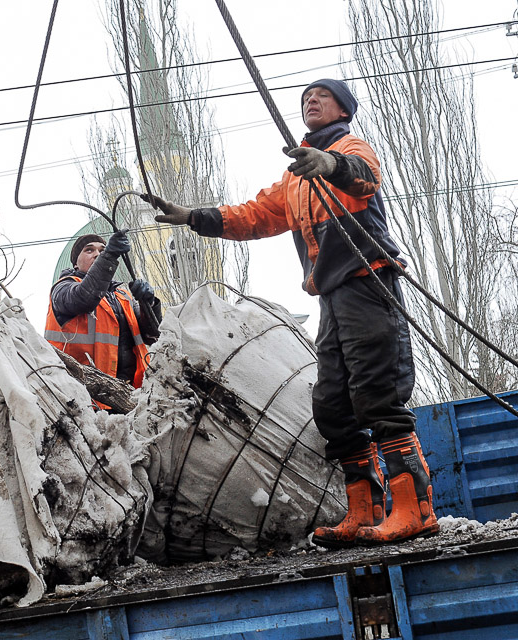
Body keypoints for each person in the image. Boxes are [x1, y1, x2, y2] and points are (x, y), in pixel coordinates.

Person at [142, 79, 438, 547]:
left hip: (367, 284)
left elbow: (364, 176)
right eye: (305, 99)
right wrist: (194, 217)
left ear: (343, 109)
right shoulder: (296, 179)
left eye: (321, 96)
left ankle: (415, 509)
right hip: (332, 297)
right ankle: (365, 510)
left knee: (378, 395)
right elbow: (254, 215)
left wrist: (330, 164)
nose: (310, 101)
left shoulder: (350, 148)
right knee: (332, 406)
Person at [44, 230, 162, 395]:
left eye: (102, 250)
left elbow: (152, 335)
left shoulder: (122, 296)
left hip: (133, 392)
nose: (97, 254)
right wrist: (109, 255)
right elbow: (84, 297)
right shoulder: (63, 288)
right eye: (89, 250)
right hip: (82, 393)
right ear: (75, 263)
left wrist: (148, 304)